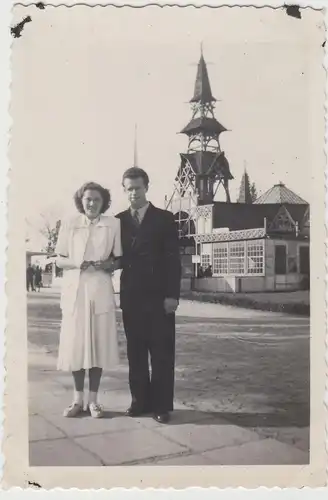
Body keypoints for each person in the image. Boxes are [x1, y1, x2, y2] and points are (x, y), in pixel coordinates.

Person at [116, 167, 181, 424]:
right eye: (129, 188)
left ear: (147, 187)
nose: (133, 193)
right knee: (136, 352)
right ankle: (139, 401)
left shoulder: (164, 218)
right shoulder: (118, 220)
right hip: (131, 297)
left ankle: (161, 406)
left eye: (138, 188)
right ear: (124, 190)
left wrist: (172, 295)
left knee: (162, 353)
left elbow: (173, 260)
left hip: (159, 297)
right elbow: (113, 255)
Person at [55, 182, 121, 419]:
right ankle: (77, 400)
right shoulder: (70, 224)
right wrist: (76, 263)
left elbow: (118, 258)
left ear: (103, 202)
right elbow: (59, 260)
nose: (92, 203)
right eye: (88, 199)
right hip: (75, 292)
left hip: (100, 290)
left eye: (96, 200)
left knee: (97, 345)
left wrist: (109, 264)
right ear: (81, 201)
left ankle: (93, 401)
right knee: (76, 346)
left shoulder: (113, 224)